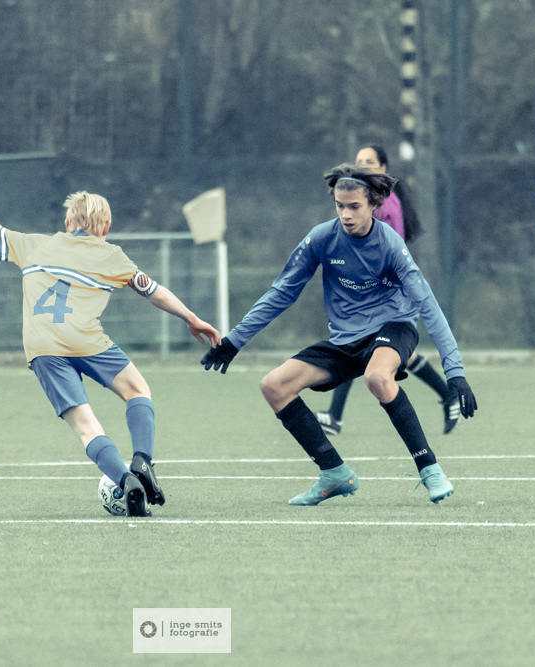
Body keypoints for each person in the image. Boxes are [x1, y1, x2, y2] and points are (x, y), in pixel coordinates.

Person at [200, 164, 477, 505]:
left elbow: (428, 306)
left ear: (374, 204)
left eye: (354, 206)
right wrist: (234, 341)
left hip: (393, 327)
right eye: (340, 205)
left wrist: (455, 372)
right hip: (345, 339)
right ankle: (333, 473)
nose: (346, 214)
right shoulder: (322, 238)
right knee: (274, 385)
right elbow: (282, 292)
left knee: (377, 377)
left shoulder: (390, 245)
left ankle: (430, 469)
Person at [0, 191, 220, 517]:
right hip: (88, 341)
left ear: (67, 224)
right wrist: (191, 318)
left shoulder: (34, 244)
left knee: (86, 426)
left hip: (44, 348)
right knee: (137, 390)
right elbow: (154, 292)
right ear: (106, 227)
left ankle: (126, 481)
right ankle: (142, 461)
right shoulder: (112, 256)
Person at [315, 144, 460, 438]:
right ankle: (448, 396)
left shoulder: (385, 203)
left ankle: (334, 416)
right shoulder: (363, 200)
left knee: (355, 345)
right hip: (378, 294)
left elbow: (388, 251)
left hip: (388, 295)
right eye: (358, 161)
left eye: (369, 162)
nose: (362, 166)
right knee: (385, 352)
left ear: (383, 168)